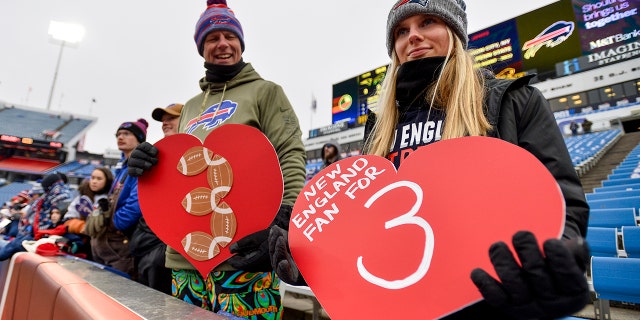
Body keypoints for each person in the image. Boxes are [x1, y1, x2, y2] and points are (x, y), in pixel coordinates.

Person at [269, 1, 591, 319]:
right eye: (401, 31)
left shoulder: (512, 100)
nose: (413, 36)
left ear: (454, 30)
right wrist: (310, 263)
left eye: (427, 22)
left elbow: (560, 200)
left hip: (485, 300)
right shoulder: (380, 125)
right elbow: (368, 231)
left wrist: (546, 270)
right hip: (398, 305)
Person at [127, 0, 306, 317]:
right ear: (201, 48)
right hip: (185, 257)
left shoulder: (266, 92)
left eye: (229, 36)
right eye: (212, 38)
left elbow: (289, 154)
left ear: (240, 42)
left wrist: (284, 219)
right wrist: (147, 164)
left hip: (244, 253)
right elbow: (180, 171)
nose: (222, 44)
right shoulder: (192, 106)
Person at [127, 104, 184, 295]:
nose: (165, 123)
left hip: (169, 254)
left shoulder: (198, 155)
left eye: (172, 118)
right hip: (145, 247)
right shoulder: (155, 154)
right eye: (163, 120)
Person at [87, 119, 149, 278]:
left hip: (121, 245)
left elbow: (136, 204)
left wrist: (114, 223)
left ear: (140, 138)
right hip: (107, 245)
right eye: (118, 134)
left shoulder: (140, 166)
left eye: (127, 134)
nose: (120, 137)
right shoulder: (122, 167)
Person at [0, 173, 72, 260]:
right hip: (37, 232)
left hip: (45, 235)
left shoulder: (61, 197)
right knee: (12, 244)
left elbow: (55, 221)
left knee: (14, 245)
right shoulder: (50, 197)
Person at [64, 167, 114, 258]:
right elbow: (68, 219)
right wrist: (81, 227)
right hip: (83, 242)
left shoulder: (111, 199)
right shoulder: (81, 197)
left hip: (103, 244)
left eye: (99, 179)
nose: (94, 181)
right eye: (92, 178)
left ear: (107, 181)